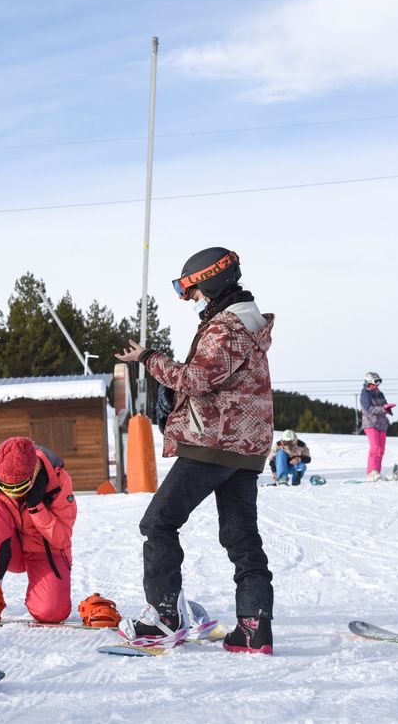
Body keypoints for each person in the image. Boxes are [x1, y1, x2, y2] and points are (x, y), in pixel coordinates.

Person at [114, 247, 276, 654]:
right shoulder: (249, 326)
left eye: (192, 290)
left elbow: (197, 379)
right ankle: (254, 628)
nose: (192, 299)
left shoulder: (227, 328)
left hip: (213, 444)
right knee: (241, 537)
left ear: (212, 281)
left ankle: (164, 617)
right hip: (244, 448)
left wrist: (149, 359)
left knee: (159, 523)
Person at [0, 437, 99, 625]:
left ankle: (44, 602)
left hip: (44, 549)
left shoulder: (59, 481)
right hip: (6, 546)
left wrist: (37, 508)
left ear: (34, 473)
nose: (12, 493)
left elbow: (62, 538)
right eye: (5, 487)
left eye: (19, 488)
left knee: (51, 613)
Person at [360, 372, 395, 481]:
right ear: (367, 383)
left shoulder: (380, 394)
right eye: (373, 384)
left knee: (380, 450)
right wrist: (382, 409)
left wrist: (387, 408)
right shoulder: (365, 395)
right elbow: (368, 409)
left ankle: (376, 473)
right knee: (375, 448)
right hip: (370, 424)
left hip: (382, 424)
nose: (376, 386)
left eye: (377, 384)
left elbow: (383, 404)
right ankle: (371, 472)